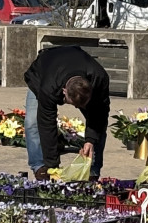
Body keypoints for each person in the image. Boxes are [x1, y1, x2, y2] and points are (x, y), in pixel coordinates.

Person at [24, 45, 110, 181]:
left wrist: (90, 140)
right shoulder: (48, 87)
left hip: (74, 61)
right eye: (73, 104)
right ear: (64, 91)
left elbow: (100, 115)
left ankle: (93, 171)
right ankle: (40, 167)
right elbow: (47, 124)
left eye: (81, 105)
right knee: (32, 122)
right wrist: (53, 166)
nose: (76, 108)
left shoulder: (99, 79)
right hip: (43, 71)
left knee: (99, 126)